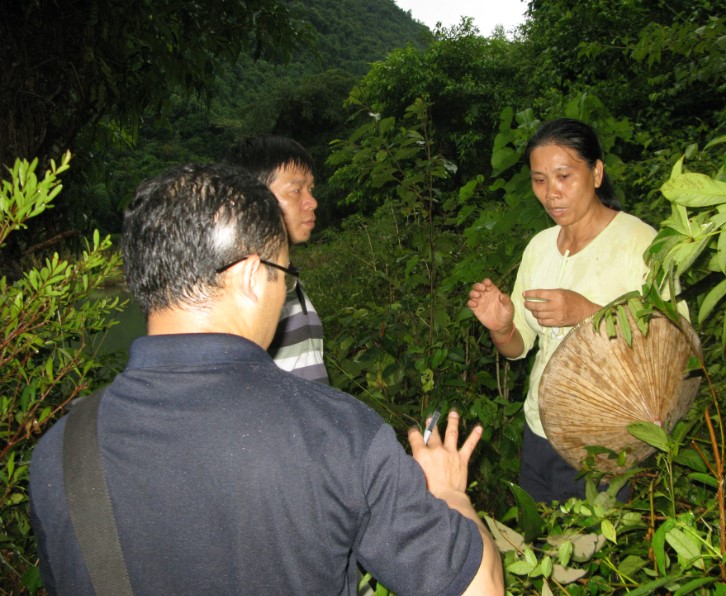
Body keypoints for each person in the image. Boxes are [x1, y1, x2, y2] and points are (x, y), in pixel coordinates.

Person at [29, 163, 504, 594]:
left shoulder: (61, 451)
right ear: (252, 276)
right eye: (284, 273)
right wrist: (448, 492)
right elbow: (480, 589)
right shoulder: (335, 434)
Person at [468, 118, 657, 504]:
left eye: (564, 176)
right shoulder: (539, 248)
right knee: (539, 540)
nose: (551, 193)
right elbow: (519, 346)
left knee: (595, 543)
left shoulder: (638, 243)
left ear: (597, 173)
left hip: (607, 442)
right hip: (540, 432)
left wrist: (588, 312)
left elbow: (671, 342)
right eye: (539, 180)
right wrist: (502, 327)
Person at [226, 135, 328, 383]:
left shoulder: (285, 277)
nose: (312, 202)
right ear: (251, 199)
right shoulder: (245, 284)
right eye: (296, 190)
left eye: (310, 189)